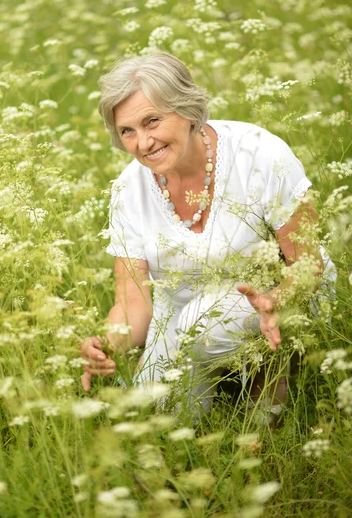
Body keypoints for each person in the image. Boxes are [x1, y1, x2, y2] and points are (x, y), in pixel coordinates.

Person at [80, 52, 332, 415]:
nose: (143, 142)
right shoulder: (127, 191)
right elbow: (133, 303)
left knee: (204, 328)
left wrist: (278, 298)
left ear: (187, 110)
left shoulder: (260, 154)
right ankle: (224, 375)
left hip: (275, 297)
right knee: (157, 415)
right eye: (127, 131)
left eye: (153, 121)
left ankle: (273, 369)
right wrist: (104, 343)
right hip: (181, 314)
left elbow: (306, 263)